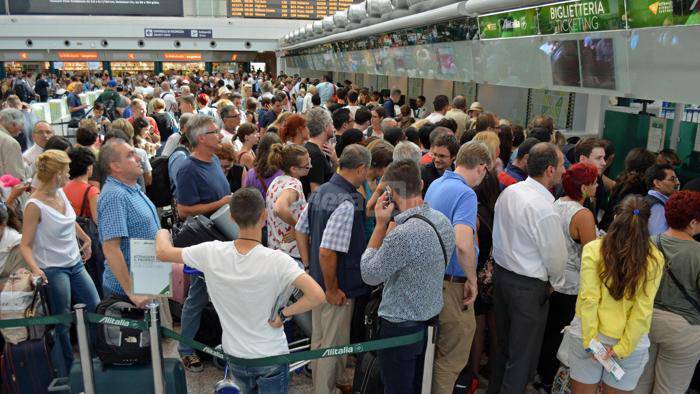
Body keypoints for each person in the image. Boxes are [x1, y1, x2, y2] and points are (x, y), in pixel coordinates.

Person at [155, 188, 325, 393]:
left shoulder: (211, 252)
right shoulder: (278, 260)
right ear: (263, 216)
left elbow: (163, 252)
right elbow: (317, 295)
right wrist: (284, 314)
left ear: (231, 216)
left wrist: (162, 231)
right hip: (271, 355)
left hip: (236, 356)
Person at [361, 160, 455, 393]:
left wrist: (380, 225)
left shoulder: (403, 234)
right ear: (421, 184)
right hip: (431, 321)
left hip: (399, 326)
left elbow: (369, 274)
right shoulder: (442, 221)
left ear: (391, 193)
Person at [488, 142, 568, 394]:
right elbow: (555, 258)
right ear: (550, 170)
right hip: (528, 287)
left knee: (503, 348)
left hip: (502, 277)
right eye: (562, 165)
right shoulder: (544, 209)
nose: (565, 170)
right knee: (522, 357)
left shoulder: (511, 192)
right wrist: (555, 282)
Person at [566, 196, 663, 392]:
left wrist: (592, 342)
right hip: (629, 345)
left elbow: (589, 298)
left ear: (616, 216)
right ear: (647, 223)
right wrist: (622, 348)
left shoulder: (594, 249)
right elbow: (643, 309)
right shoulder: (654, 258)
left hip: (589, 335)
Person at [295, 144, 371, 394]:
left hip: (317, 281)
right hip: (335, 287)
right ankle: (324, 389)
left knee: (320, 337)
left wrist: (308, 267)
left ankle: (328, 383)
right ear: (360, 169)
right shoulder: (346, 203)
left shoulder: (323, 190)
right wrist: (333, 288)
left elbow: (300, 228)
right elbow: (327, 251)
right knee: (331, 343)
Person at [19, 150, 99, 376]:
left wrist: (85, 238)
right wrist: (37, 270)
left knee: (94, 306)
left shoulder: (61, 193)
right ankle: (65, 372)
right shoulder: (34, 206)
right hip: (53, 269)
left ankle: (97, 358)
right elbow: (25, 244)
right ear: (56, 174)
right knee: (62, 322)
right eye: (65, 171)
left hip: (75, 262)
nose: (69, 175)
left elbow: (70, 221)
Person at [424, 141, 491, 393]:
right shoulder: (466, 194)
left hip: (433, 279)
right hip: (453, 284)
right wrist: (472, 280)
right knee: (451, 359)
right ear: (482, 167)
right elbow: (463, 243)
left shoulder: (436, 184)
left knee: (435, 355)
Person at [173, 114, 232, 371]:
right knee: (197, 295)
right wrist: (221, 204)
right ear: (200, 139)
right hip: (203, 242)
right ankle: (186, 348)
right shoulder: (188, 169)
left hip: (223, 239)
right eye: (214, 132)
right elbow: (184, 210)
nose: (219, 135)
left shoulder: (215, 160)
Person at [536, 163, 599, 391]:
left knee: (549, 332)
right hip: (573, 285)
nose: (597, 185)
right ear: (584, 188)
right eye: (593, 182)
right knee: (564, 337)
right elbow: (591, 254)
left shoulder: (556, 204)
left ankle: (543, 376)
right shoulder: (583, 215)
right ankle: (555, 381)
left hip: (553, 279)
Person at [635, 190, 700, 394]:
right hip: (684, 328)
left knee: (638, 383)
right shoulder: (698, 253)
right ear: (692, 223)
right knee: (670, 389)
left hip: (644, 321)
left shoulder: (648, 243)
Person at [97, 138, 159, 308]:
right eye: (131, 155)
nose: (138, 158)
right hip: (128, 295)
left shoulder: (131, 189)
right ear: (115, 166)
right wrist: (132, 292)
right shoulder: (115, 196)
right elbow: (111, 247)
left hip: (146, 285)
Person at [265, 144, 310, 259]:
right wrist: (299, 227)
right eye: (306, 166)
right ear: (293, 169)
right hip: (291, 254)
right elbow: (279, 208)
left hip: (275, 251)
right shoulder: (294, 184)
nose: (310, 166)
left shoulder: (277, 180)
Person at [300, 107, 338, 197]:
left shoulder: (317, 149)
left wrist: (335, 162)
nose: (333, 127)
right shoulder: (315, 154)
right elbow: (316, 192)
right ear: (325, 127)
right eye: (331, 124)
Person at [645, 163, 680, 235]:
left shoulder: (647, 200)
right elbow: (657, 239)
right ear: (657, 183)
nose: (677, 182)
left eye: (677, 179)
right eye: (672, 179)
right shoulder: (657, 207)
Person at [0, 108, 27, 180]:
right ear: (14, 124)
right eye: (21, 126)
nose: (20, 131)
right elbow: (15, 176)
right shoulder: (11, 143)